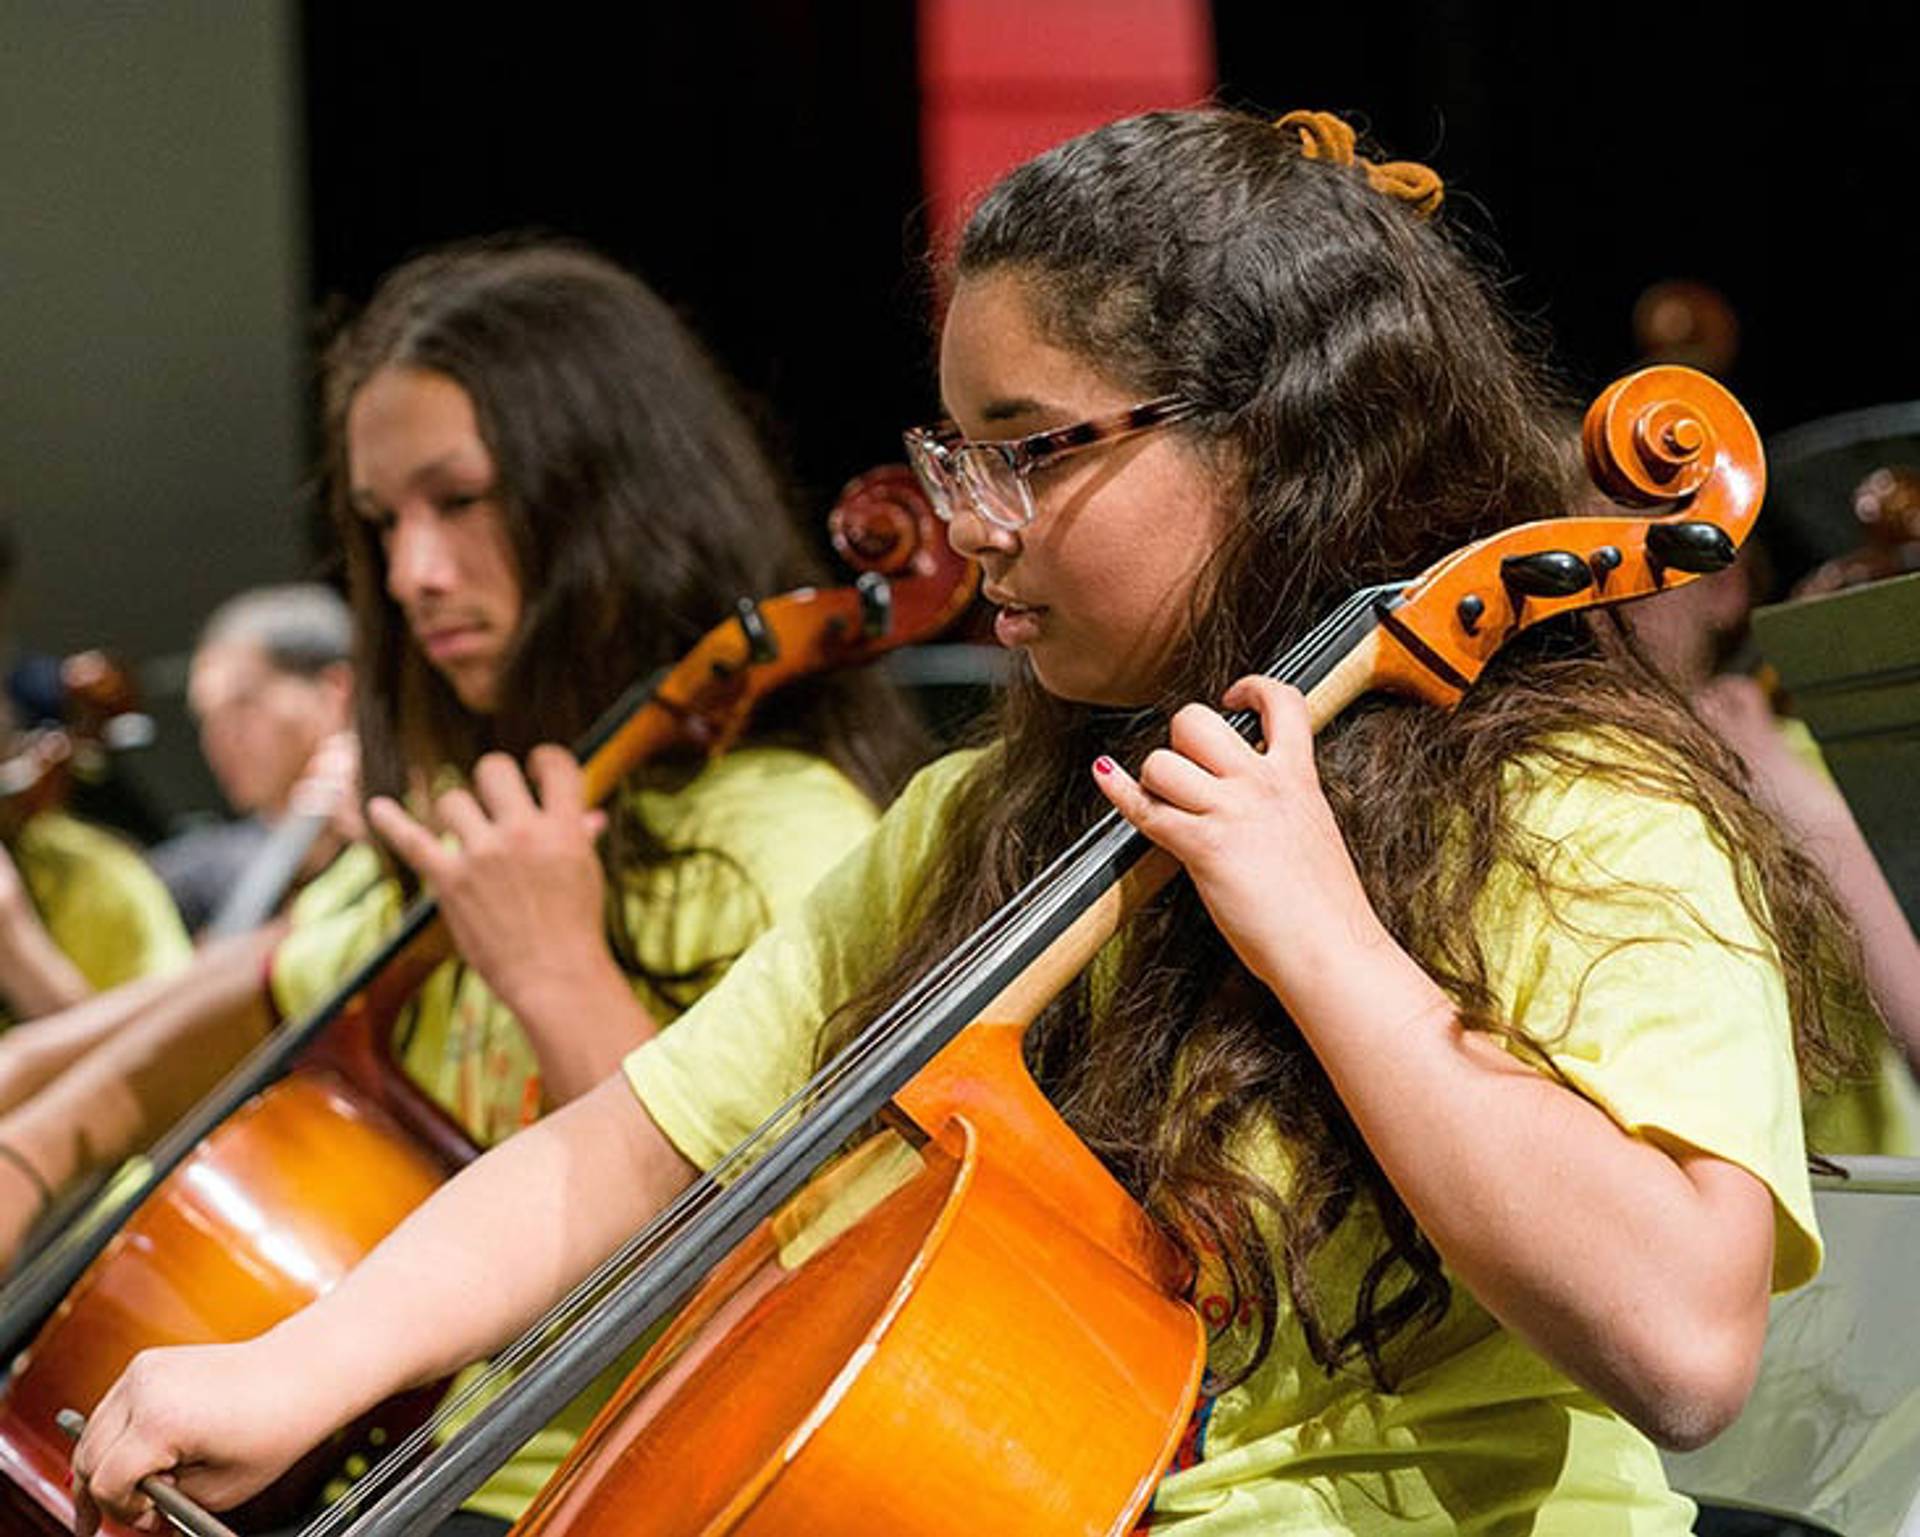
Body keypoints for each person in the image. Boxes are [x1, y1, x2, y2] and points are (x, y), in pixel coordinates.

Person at [72, 110, 1874, 1535]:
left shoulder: (1580, 810)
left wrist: (1318, 926)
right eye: (955, 454)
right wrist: (297, 1368)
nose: (977, 523)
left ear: (1278, 437)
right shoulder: (982, 821)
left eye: (1032, 449)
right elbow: (627, 1148)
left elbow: (1684, 1342)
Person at [0, 239, 923, 1525]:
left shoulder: (782, 839)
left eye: (459, 501)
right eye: (382, 523)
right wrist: (34, 1146)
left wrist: (557, 971)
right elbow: (209, 1017)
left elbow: (782, 1287)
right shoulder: (466, 824)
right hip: (403, 1479)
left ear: (606, 495)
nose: (411, 574)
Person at [147, 582, 359, 934]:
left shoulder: (401, 821)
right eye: (206, 718)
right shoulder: (196, 872)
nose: (219, 739)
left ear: (334, 692)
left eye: (242, 706)